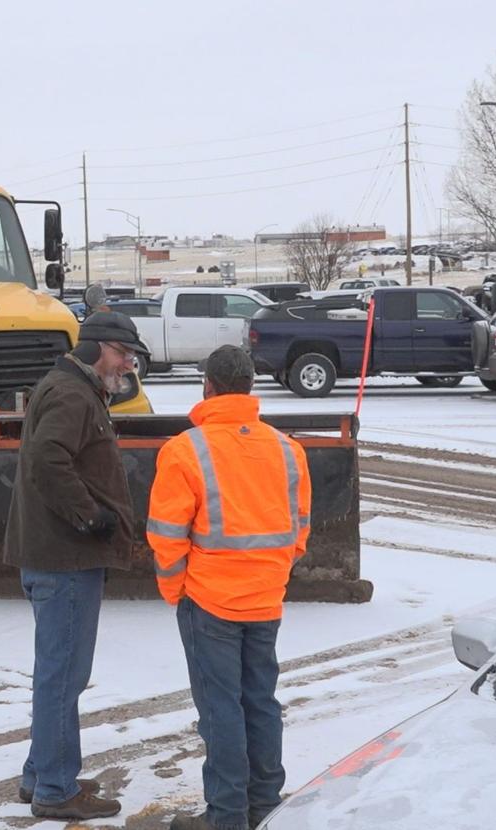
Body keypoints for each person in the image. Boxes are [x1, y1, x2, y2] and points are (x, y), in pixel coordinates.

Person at [146, 345, 312, 830]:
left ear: (208, 387)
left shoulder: (185, 449)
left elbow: (166, 534)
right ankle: (264, 806)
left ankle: (226, 816)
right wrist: (272, 575)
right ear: (251, 386)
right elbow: (299, 529)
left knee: (221, 709)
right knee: (260, 701)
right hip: (265, 600)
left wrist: (176, 589)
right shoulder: (288, 449)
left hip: (209, 601)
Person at [3, 311, 150, 821]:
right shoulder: (71, 394)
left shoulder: (71, 387)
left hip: (58, 556)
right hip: (65, 559)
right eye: (122, 352)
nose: (128, 363)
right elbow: (48, 458)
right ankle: (56, 790)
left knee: (57, 673)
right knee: (64, 677)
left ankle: (40, 774)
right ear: (95, 350)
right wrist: (90, 517)